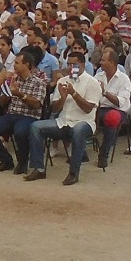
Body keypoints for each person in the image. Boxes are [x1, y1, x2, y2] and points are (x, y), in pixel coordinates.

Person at [25, 47, 99, 186]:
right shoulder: (63, 81)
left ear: (82, 65)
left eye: (74, 65)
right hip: (63, 121)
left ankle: (73, 172)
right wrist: (63, 98)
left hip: (85, 122)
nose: (71, 68)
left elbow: (88, 109)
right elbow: (55, 108)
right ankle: (38, 168)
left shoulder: (92, 83)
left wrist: (74, 94)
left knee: (78, 131)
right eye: (69, 65)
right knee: (36, 126)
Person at [0, 50, 50, 175]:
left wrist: (19, 94)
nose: (14, 65)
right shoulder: (12, 80)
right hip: (12, 114)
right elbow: (2, 104)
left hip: (29, 116)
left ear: (27, 65)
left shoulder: (38, 83)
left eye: (17, 63)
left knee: (20, 132)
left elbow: (36, 105)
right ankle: (6, 159)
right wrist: (7, 90)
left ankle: (22, 162)